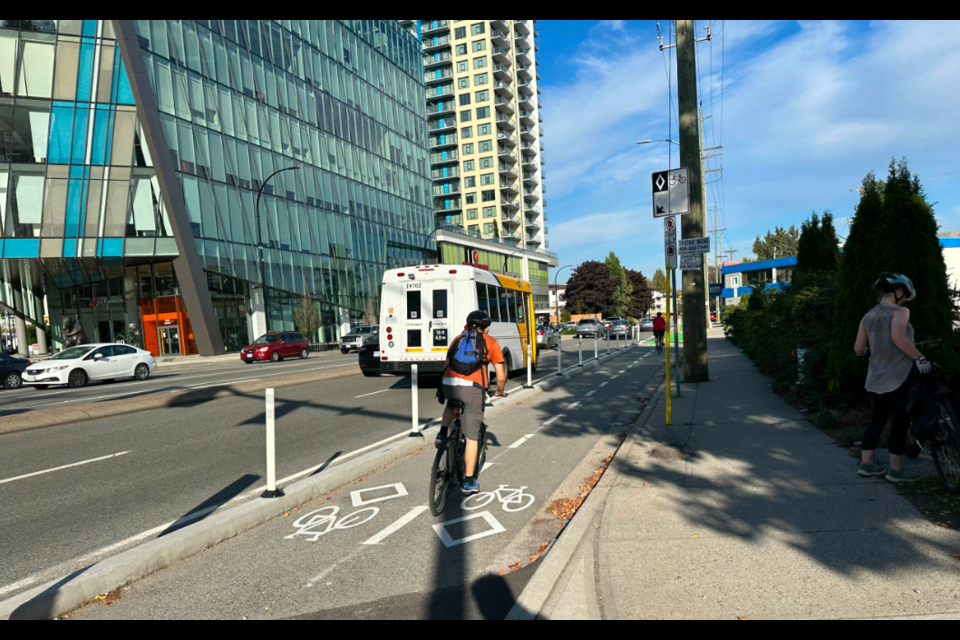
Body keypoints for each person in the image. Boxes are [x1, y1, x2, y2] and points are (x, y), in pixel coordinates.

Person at [854, 272, 930, 483]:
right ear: (899, 291)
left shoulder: (868, 316)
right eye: (905, 295)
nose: (905, 299)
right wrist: (921, 358)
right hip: (899, 376)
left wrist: (875, 350)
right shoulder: (901, 311)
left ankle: (866, 464)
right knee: (899, 421)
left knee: (877, 420)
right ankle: (895, 470)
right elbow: (898, 337)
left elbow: (859, 348)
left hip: (875, 378)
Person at [437, 310, 507, 495]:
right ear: (487, 327)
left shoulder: (457, 339)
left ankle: (442, 433)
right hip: (472, 389)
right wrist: (500, 391)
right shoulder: (490, 342)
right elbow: (500, 376)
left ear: (467, 325)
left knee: (452, 404)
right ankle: (468, 481)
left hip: (448, 385)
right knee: (471, 438)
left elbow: (446, 365)